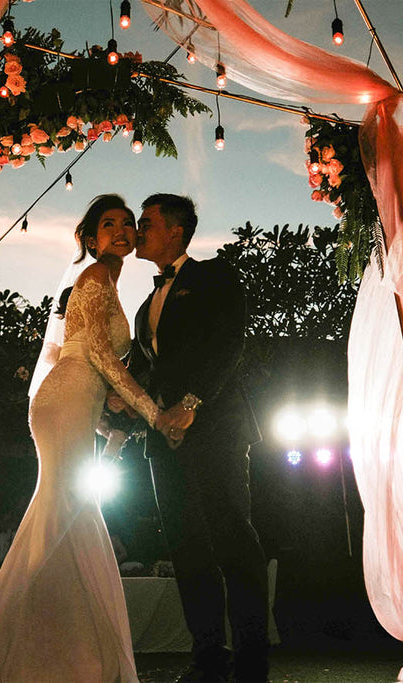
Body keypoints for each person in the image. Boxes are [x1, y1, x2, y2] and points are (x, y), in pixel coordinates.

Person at [0, 194, 173, 682]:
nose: (120, 231)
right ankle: (52, 653)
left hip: (73, 401)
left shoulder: (109, 285)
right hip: (66, 397)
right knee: (67, 509)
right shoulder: (94, 277)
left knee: (67, 510)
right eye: (107, 225)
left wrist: (107, 420)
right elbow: (96, 353)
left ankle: (53, 644)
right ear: (91, 240)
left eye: (127, 223)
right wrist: (152, 412)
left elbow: (90, 367)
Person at [121, 193, 269, 682]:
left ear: (176, 231)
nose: (138, 231)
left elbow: (230, 345)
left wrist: (191, 402)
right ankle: (208, 655)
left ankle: (252, 658)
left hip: (218, 430)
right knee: (186, 547)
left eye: (146, 222)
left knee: (233, 539)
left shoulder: (215, 278)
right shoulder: (145, 308)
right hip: (163, 441)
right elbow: (142, 370)